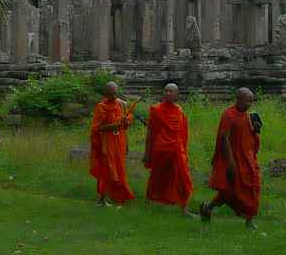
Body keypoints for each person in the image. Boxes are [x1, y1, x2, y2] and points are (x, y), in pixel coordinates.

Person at [200, 87, 261, 229]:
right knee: (230, 190)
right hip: (233, 158)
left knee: (254, 186)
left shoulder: (248, 116)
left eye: (251, 101)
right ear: (238, 99)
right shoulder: (229, 114)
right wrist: (231, 162)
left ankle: (249, 219)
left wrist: (256, 130)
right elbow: (224, 139)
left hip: (248, 158)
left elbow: (251, 138)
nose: (249, 104)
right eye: (247, 101)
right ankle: (208, 208)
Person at [143, 83, 194, 216]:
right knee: (157, 176)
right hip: (161, 149)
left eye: (171, 91)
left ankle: (184, 209)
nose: (167, 93)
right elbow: (151, 132)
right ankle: (150, 201)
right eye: (165, 91)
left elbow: (183, 134)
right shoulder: (156, 110)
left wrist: (183, 150)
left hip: (176, 150)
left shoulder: (179, 111)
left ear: (176, 95)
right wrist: (147, 153)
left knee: (184, 179)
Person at [90, 81, 134, 206]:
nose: (113, 96)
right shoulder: (101, 107)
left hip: (119, 141)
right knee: (108, 169)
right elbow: (97, 128)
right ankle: (102, 198)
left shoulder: (122, 105)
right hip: (107, 142)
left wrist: (126, 122)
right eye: (110, 94)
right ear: (106, 94)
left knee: (119, 169)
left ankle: (119, 197)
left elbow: (127, 123)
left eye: (114, 93)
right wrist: (113, 126)